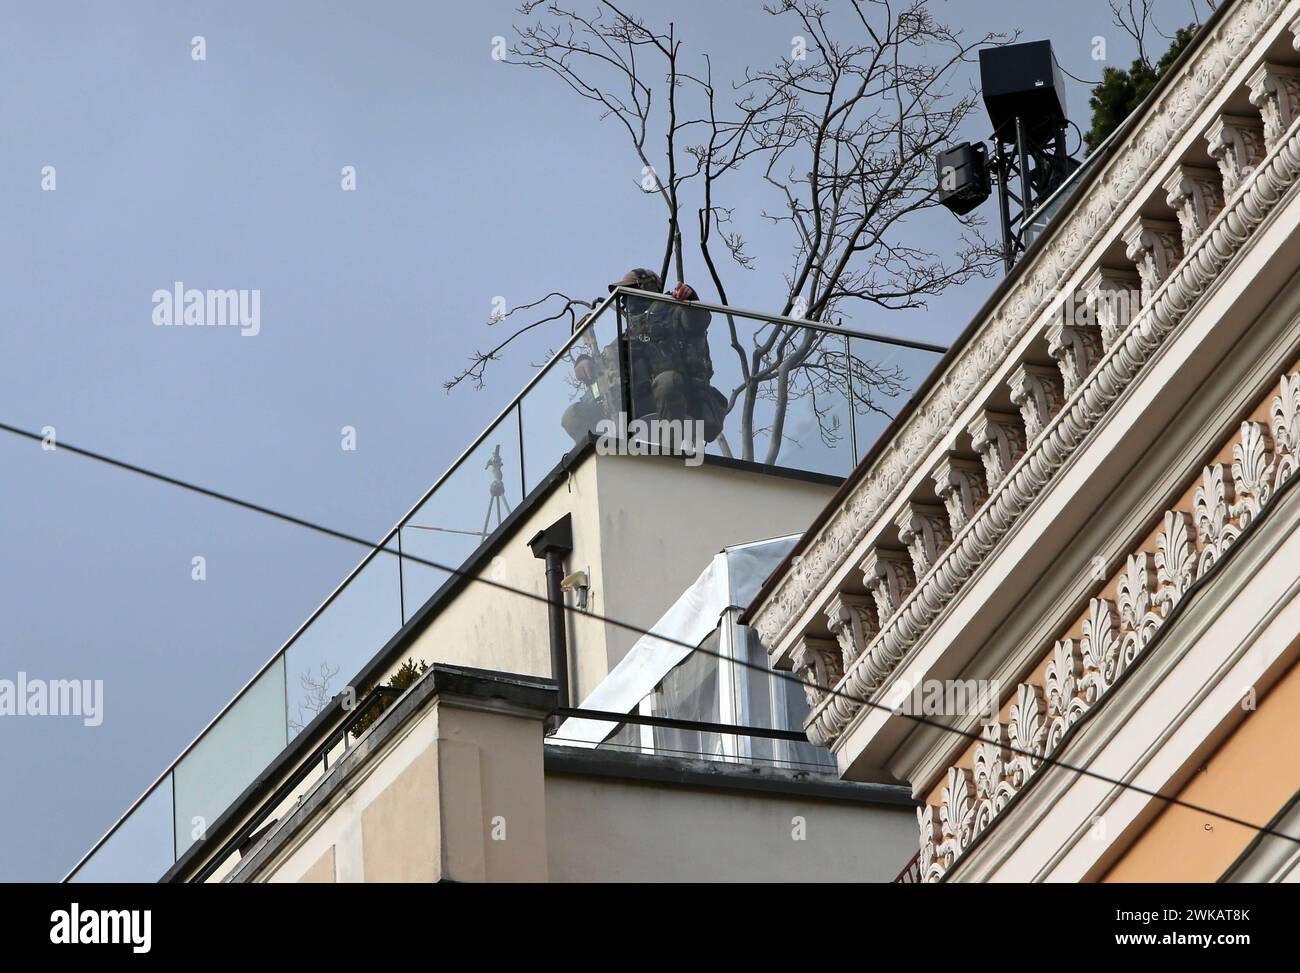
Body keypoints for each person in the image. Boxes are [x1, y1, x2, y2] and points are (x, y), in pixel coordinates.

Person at [561, 268, 727, 447]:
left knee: (667, 382)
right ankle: (597, 459)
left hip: (681, 398)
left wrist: (690, 300)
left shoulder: (674, 314)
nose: (626, 300)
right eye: (623, 295)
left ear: (647, 290)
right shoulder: (626, 335)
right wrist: (584, 360)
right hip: (633, 406)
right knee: (572, 416)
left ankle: (672, 452)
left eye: (631, 291)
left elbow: (697, 321)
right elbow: (606, 362)